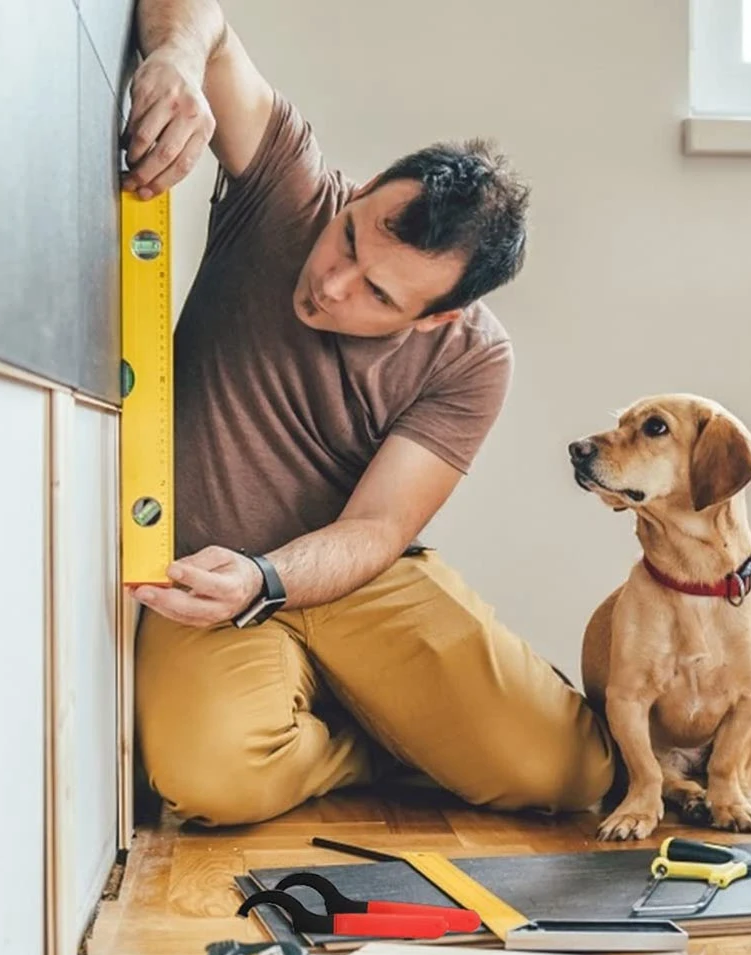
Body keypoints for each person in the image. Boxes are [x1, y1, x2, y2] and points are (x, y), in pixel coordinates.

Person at [120, 0, 615, 827]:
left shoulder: (473, 359)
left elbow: (379, 529)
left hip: (352, 575)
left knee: (566, 772)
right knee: (212, 783)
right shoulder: (288, 190)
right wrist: (173, 59)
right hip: (205, 576)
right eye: (350, 238)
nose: (332, 283)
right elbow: (196, 13)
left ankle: (400, 720)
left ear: (435, 317)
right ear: (363, 192)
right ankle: (376, 740)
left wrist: (270, 577)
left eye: (378, 293)